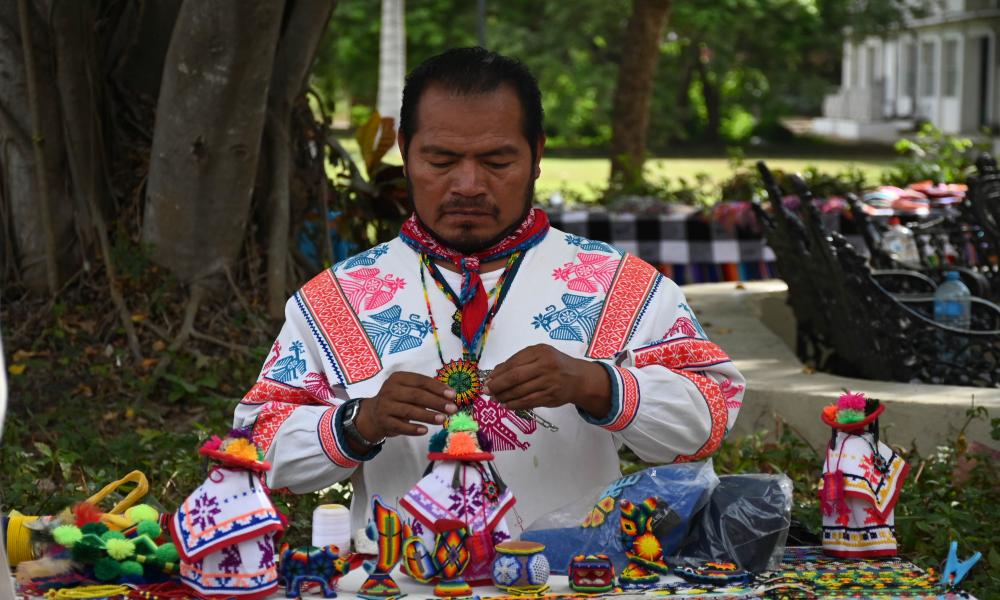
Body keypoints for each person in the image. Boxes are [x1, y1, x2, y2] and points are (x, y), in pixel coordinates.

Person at [234, 47, 746, 545]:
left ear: (537, 154)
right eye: (440, 160)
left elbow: (708, 418)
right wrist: (358, 423)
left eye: (497, 161)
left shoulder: (617, 285)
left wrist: (596, 384)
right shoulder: (339, 298)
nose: (468, 184)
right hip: (400, 581)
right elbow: (259, 444)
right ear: (405, 150)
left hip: (573, 578)